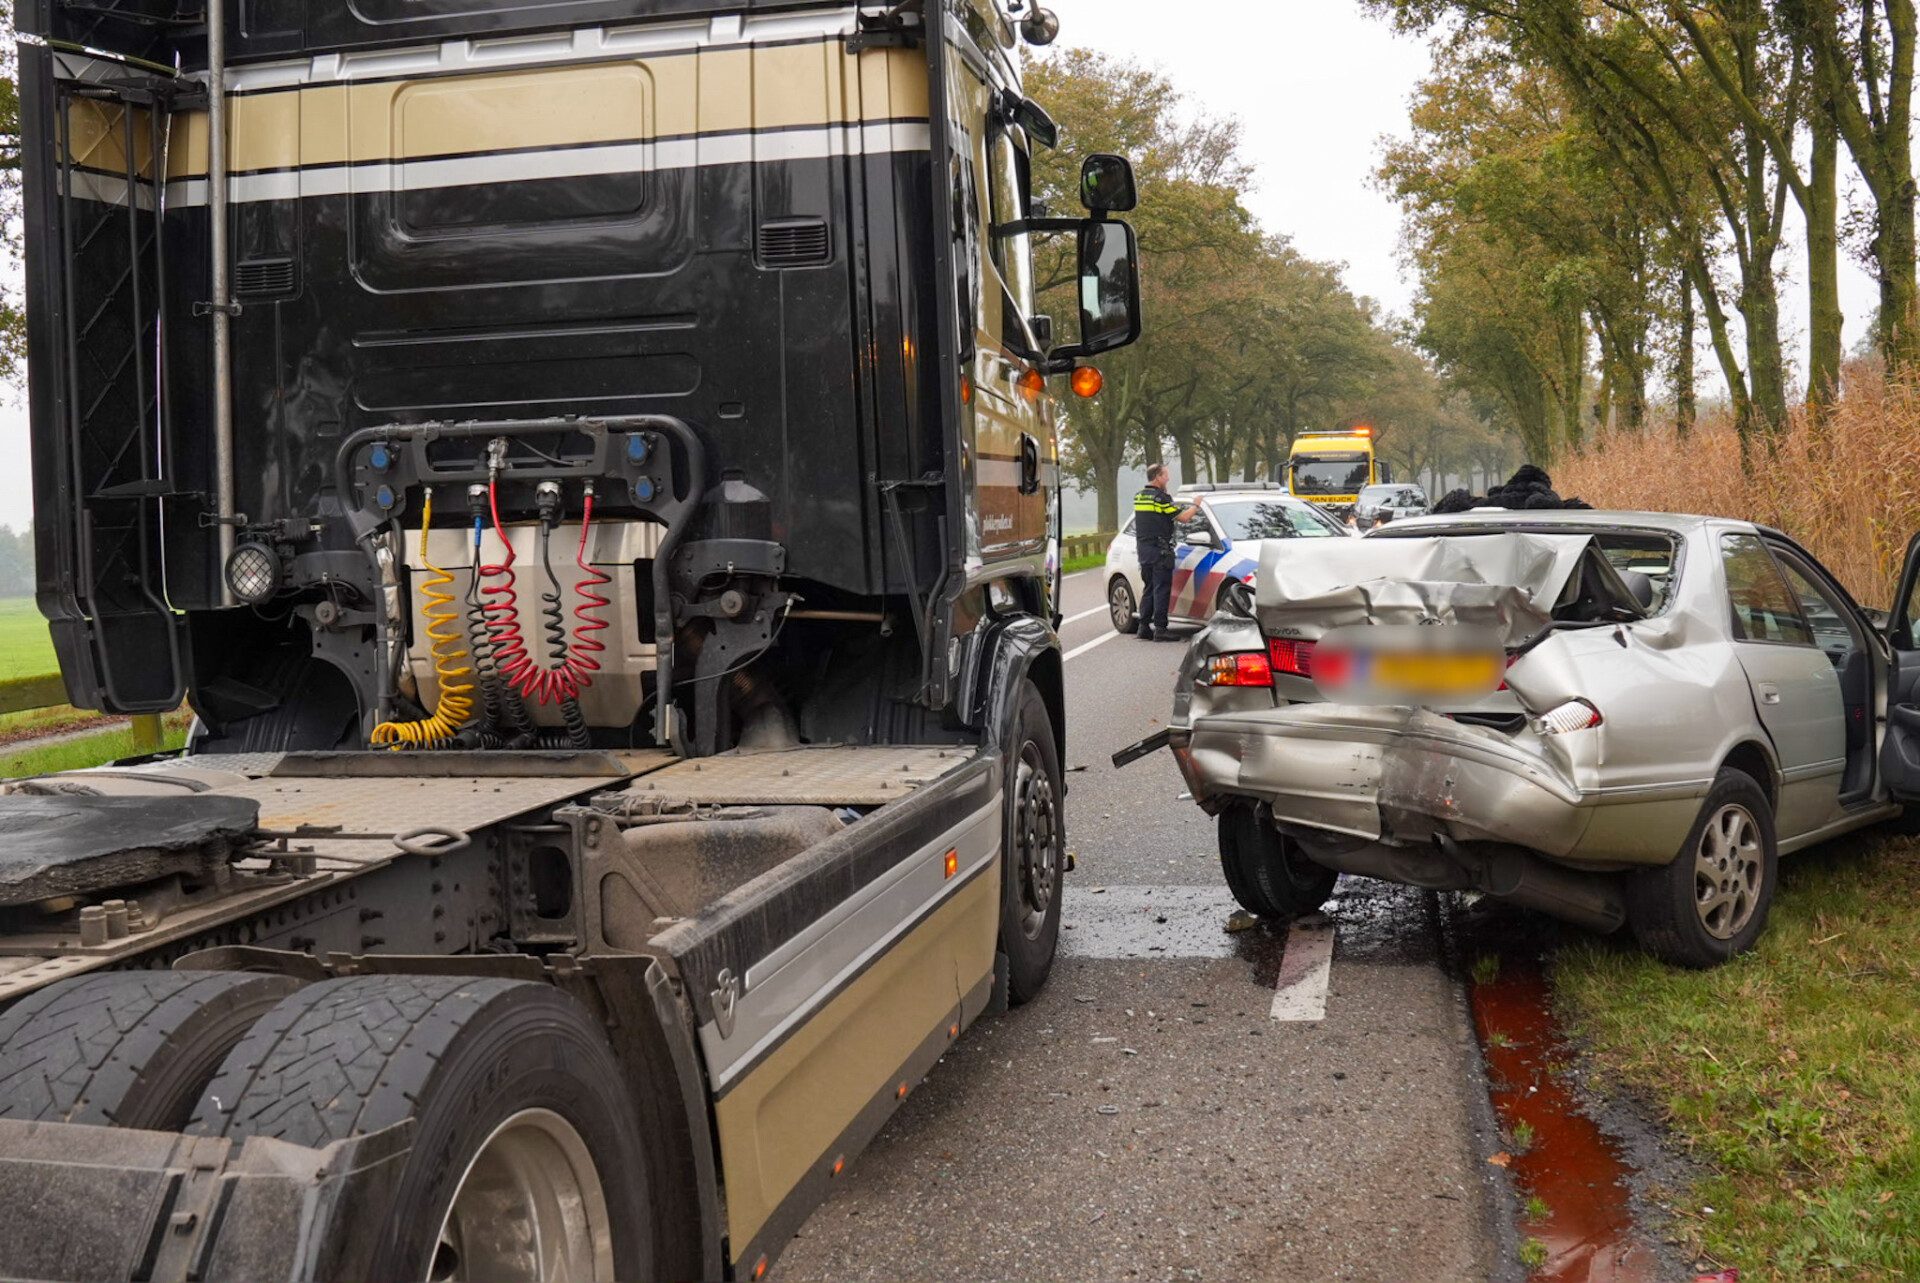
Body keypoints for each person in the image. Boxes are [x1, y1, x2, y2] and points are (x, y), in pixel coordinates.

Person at [1132, 465, 1199, 641]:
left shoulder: (1139, 497)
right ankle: (1161, 629)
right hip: (1159, 551)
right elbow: (1183, 518)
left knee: (1149, 588)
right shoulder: (1161, 499)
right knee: (1161, 589)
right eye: (1165, 475)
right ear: (1157, 477)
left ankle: (1143, 627)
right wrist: (1196, 505)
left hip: (1143, 551)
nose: (1168, 479)